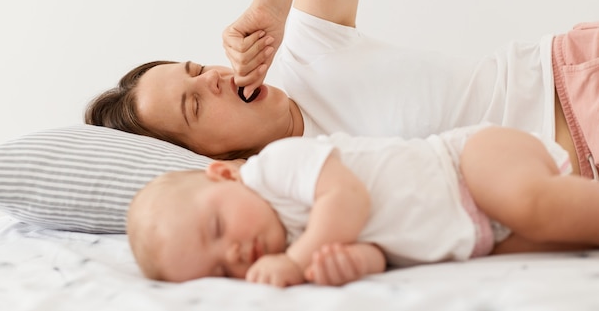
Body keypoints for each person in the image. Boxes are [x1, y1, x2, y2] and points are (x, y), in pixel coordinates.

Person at [85, 0, 599, 180]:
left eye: (197, 71)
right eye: (194, 107)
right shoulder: (297, 188)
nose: (215, 80)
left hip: (572, 81)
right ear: (209, 158)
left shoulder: (304, 54)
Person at [127, 124, 599, 287]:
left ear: (226, 173)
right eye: (217, 272)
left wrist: (297, 260)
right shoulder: (299, 247)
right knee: (551, 239)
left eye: (216, 228)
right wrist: (349, 264)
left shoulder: (272, 168)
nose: (231, 253)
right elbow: (381, 252)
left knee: (530, 205)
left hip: (468, 165)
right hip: (474, 236)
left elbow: (347, 199)